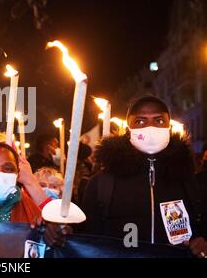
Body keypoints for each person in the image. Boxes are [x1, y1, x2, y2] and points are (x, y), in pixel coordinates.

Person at [82, 96, 207, 258]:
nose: (150, 127)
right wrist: (61, 230)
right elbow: (87, 239)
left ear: (169, 127)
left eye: (159, 121)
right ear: (128, 130)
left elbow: (201, 225)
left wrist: (201, 241)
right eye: (140, 121)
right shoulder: (101, 183)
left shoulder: (189, 180)